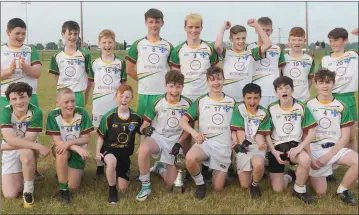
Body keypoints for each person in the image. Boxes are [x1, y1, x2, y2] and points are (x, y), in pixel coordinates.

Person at [179, 66, 235, 200]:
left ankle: (212, 170)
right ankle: (200, 184)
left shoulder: (232, 102)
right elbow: (183, 121)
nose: (216, 83)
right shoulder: (200, 101)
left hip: (223, 146)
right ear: (207, 82)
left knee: (217, 187)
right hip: (206, 143)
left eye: (219, 79)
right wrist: (194, 132)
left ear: (224, 80)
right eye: (212, 80)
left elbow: (236, 127)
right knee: (190, 158)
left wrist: (235, 143)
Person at [136, 71, 192, 201]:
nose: (174, 90)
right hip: (158, 137)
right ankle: (145, 185)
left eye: (178, 86)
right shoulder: (157, 102)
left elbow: (188, 129)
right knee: (143, 151)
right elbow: (145, 124)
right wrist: (142, 129)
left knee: (171, 183)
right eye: (171, 86)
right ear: (166, 86)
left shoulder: (188, 103)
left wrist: (180, 143)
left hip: (175, 140)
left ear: (183, 87)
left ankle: (159, 168)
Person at [1, 17, 45, 179]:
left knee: (31, 134)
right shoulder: (2, 50)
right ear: (8, 32)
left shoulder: (31, 49)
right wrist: (9, 71)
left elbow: (37, 73)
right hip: (6, 99)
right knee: (10, 134)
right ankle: (11, 165)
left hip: (30, 98)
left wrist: (25, 67)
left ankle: (32, 167)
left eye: (23, 34)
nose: (20, 37)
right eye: (17, 33)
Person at [306, 69, 358, 206]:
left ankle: (342, 190)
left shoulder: (341, 106)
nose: (325, 86)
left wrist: (327, 157)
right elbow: (304, 136)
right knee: (321, 192)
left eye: (328, 82)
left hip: (335, 149)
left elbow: (345, 137)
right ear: (316, 85)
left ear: (333, 84)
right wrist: (311, 157)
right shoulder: (308, 106)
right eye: (321, 82)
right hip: (315, 149)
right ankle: (309, 174)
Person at [266, 76, 317, 204]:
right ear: (276, 92)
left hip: (294, 146)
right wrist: (273, 151)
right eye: (280, 88)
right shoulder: (271, 108)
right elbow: (266, 133)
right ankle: (290, 176)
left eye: (287, 88)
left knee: (305, 159)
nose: (284, 91)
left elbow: (312, 131)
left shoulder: (301, 106)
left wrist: (301, 147)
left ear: (292, 90)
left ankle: (299, 189)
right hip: (277, 148)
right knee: (278, 189)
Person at [1, 82, 50, 208]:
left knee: (26, 152)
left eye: (22, 97)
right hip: (15, 149)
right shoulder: (5, 111)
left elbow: (28, 140)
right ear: (9, 101)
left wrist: (5, 146)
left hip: (28, 148)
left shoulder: (36, 112)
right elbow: (10, 139)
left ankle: (28, 191)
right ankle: (28, 174)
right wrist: (39, 146)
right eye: (14, 98)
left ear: (29, 97)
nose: (19, 102)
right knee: (10, 194)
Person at [88, 29, 127, 179]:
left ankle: (114, 162)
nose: (107, 45)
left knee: (114, 133)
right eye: (104, 42)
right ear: (99, 43)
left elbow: (123, 85)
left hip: (114, 105)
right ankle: (99, 164)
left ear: (114, 43)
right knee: (100, 134)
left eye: (110, 42)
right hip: (99, 105)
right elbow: (92, 84)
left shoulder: (120, 63)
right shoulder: (95, 63)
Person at [95, 85, 143, 204]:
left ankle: (115, 172)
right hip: (109, 150)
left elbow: (142, 132)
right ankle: (112, 190)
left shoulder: (136, 117)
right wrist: (97, 153)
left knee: (123, 188)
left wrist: (141, 146)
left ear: (131, 98)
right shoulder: (109, 116)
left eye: (127, 97)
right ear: (116, 97)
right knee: (111, 162)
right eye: (121, 96)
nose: (124, 99)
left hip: (124, 154)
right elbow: (100, 137)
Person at [45, 88, 94, 204]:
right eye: (66, 102)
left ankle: (65, 172)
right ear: (58, 103)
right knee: (61, 153)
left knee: (73, 186)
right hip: (63, 148)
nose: (70, 105)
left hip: (78, 151)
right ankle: (63, 190)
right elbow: (57, 141)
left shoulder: (82, 113)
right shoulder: (53, 115)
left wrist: (69, 144)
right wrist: (74, 146)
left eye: (72, 101)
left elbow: (86, 138)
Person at [125, 8, 172, 117]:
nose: (154, 25)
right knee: (143, 128)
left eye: (157, 22)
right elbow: (129, 69)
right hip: (144, 93)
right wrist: (142, 80)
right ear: (145, 22)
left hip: (162, 93)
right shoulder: (138, 44)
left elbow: (174, 71)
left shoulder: (168, 46)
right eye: (151, 22)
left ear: (162, 23)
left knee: (161, 125)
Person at [320, 28, 358, 155]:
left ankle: (354, 167)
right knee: (330, 135)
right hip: (331, 99)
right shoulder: (325, 59)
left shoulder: (353, 55)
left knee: (351, 137)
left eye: (336, 40)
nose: (333, 43)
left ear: (345, 40)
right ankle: (329, 166)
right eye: (331, 41)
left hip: (349, 99)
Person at [214, 19, 272, 102]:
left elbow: (268, 44)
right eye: (237, 38)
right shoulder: (226, 52)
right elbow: (217, 46)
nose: (241, 41)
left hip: (245, 99)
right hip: (227, 97)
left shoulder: (251, 53)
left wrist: (256, 25)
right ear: (231, 38)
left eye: (243, 38)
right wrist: (223, 28)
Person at [230, 83, 271, 199]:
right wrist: (241, 143)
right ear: (243, 98)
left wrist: (261, 144)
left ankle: (255, 185)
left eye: (255, 98)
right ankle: (250, 171)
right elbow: (239, 130)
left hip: (256, 145)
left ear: (260, 98)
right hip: (243, 144)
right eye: (249, 98)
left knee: (258, 164)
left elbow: (259, 133)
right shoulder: (239, 108)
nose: (252, 101)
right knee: (244, 185)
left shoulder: (264, 113)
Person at [170, 13, 219, 102]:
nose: (194, 30)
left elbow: (215, 75)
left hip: (205, 96)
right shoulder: (177, 50)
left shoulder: (210, 48)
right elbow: (175, 78)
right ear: (185, 28)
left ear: (201, 28)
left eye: (197, 27)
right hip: (184, 96)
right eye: (190, 27)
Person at [48, 20, 92, 108]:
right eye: (70, 33)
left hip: (78, 94)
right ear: (63, 34)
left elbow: (90, 77)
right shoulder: (56, 56)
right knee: (62, 120)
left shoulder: (85, 54)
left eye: (75, 34)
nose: (72, 37)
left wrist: (85, 93)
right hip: (62, 94)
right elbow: (56, 77)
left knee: (78, 120)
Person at [246, 17, 286, 108]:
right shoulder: (249, 48)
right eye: (262, 30)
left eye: (267, 30)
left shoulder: (278, 48)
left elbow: (280, 71)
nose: (264, 33)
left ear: (271, 31)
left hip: (273, 92)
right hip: (256, 93)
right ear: (256, 30)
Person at [282, 27, 315, 102]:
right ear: (289, 41)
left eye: (300, 40)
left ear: (304, 41)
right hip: (286, 99)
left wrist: (303, 94)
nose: (297, 43)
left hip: (304, 100)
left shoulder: (309, 59)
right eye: (293, 40)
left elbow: (310, 80)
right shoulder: (283, 58)